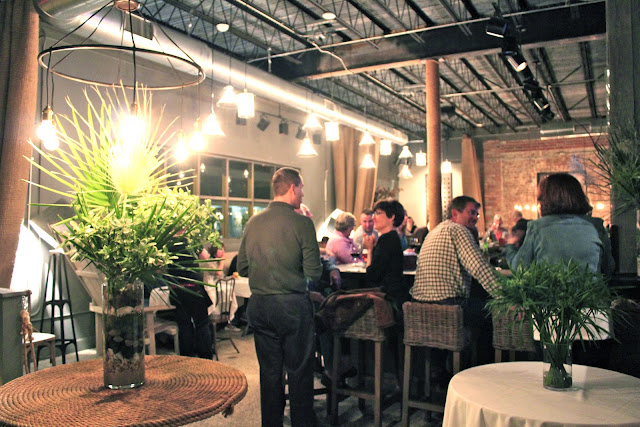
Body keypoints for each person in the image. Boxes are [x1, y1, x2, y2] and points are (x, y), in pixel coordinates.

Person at [237, 167, 322, 427]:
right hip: (292, 308)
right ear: (293, 187)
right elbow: (314, 272)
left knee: (270, 373)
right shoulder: (302, 223)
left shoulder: (252, 222)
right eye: (302, 188)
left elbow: (242, 267)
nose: (303, 193)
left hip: (260, 306)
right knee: (299, 373)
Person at [505, 173, 614, 276]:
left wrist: (510, 245)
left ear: (545, 199)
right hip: (591, 289)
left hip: (552, 290)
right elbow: (608, 268)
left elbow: (520, 268)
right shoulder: (596, 226)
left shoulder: (538, 228)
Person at [412, 196, 499, 324]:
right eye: (471, 213)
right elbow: (479, 267)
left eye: (477, 214)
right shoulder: (458, 230)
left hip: (419, 304)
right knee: (494, 309)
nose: (475, 218)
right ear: (455, 213)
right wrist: (506, 296)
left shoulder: (436, 230)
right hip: (448, 305)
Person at [168, 237, 214, 359]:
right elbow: (204, 257)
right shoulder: (191, 241)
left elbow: (159, 268)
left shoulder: (167, 243)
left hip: (176, 289)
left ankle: (187, 357)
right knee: (201, 323)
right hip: (194, 288)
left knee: (184, 325)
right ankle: (206, 358)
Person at [362, 200, 408, 317]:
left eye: (378, 213)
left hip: (386, 300)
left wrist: (369, 250)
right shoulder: (392, 237)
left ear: (391, 217)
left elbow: (372, 275)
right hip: (393, 295)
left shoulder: (387, 240)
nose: (373, 218)